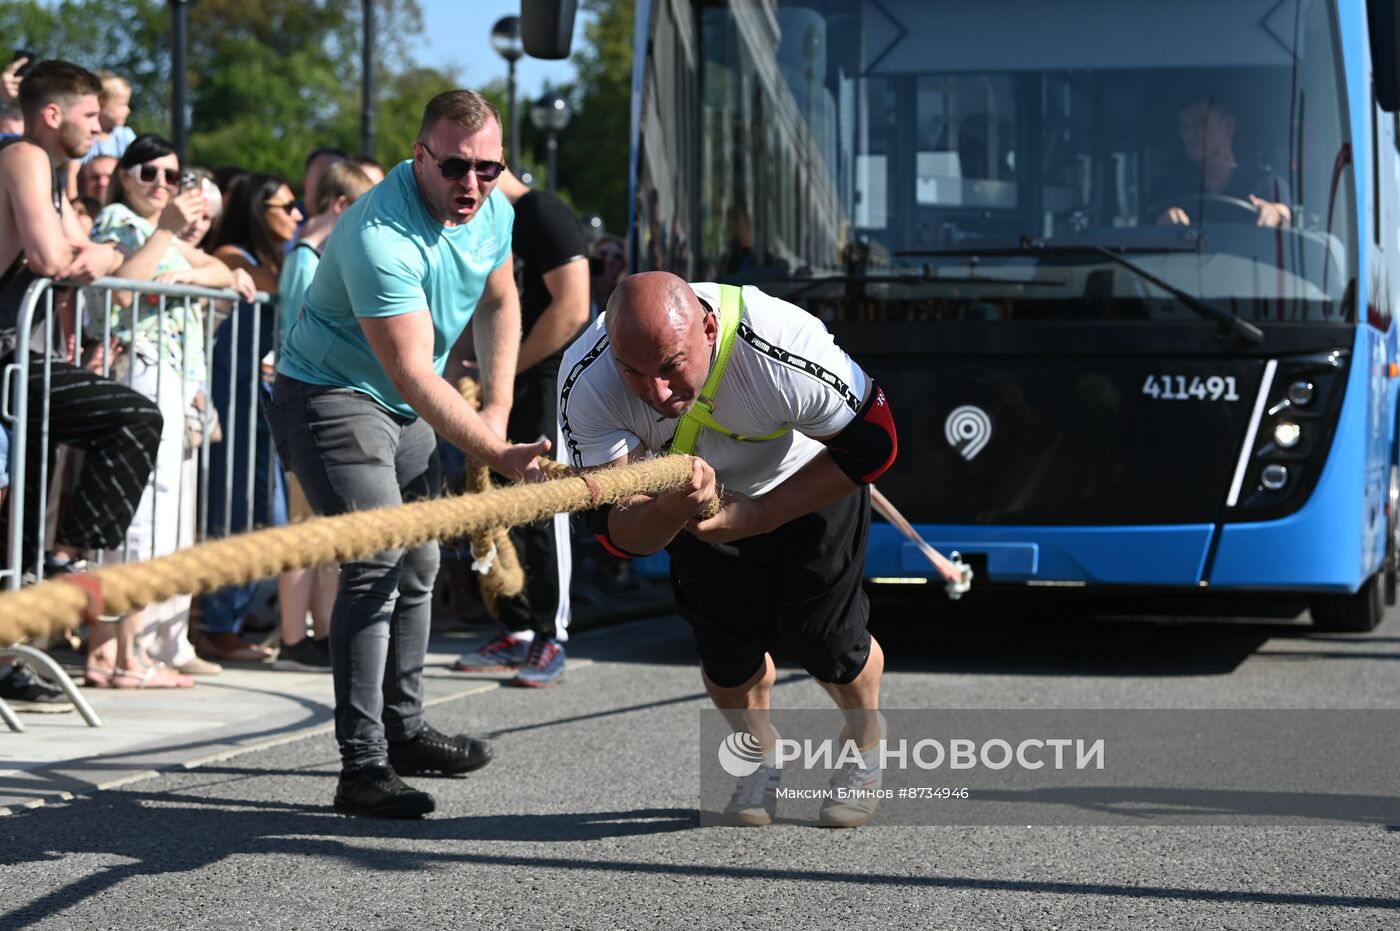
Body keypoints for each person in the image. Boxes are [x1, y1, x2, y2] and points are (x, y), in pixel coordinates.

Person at [557, 271, 924, 828]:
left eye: (672, 365)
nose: (656, 392)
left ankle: (867, 741)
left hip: (805, 484)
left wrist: (762, 514)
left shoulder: (780, 343)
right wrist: (672, 510)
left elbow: (875, 444)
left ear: (708, 328)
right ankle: (760, 757)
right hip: (689, 503)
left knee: (829, 644)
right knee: (727, 654)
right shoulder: (586, 378)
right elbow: (615, 532)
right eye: (633, 371)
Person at [270, 89, 548, 819]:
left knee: (421, 562)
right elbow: (415, 373)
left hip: (402, 404)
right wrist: (497, 449)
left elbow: (498, 302)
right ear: (420, 155)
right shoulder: (377, 234)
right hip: (332, 393)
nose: (472, 185)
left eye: (489, 168)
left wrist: (498, 406)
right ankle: (361, 768)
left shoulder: (494, 210)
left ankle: (407, 728)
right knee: (376, 563)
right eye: (455, 166)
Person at [0, 59, 163, 696]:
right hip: (9, 361)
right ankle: (65, 561)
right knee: (135, 416)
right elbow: (54, 257)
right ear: (52, 114)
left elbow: (88, 253)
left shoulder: (54, 175)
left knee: (24, 511)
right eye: (91, 116)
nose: (102, 128)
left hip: (23, 360)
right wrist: (93, 253)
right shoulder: (23, 158)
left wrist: (102, 252)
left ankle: (16, 639)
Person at [88, 133, 258, 686]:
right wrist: (166, 239)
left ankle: (154, 645)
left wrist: (191, 273)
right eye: (150, 173)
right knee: (140, 514)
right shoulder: (119, 219)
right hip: (138, 367)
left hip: (175, 376)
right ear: (124, 177)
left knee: (168, 519)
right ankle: (125, 655)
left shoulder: (154, 232)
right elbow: (120, 291)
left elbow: (219, 269)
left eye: (171, 175)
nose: (162, 184)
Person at [451, 168, 589, 687]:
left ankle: (553, 634)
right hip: (509, 379)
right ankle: (518, 628)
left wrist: (504, 371)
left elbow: (572, 309)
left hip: (547, 378)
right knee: (497, 501)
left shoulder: (544, 214)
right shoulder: (491, 222)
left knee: (543, 500)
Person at [195, 172, 302, 664]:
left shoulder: (279, 261)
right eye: (288, 206)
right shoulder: (235, 256)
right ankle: (217, 624)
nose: (297, 215)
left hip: (262, 400)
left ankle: (227, 620)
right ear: (260, 212)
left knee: (268, 516)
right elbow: (279, 287)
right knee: (236, 511)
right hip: (234, 397)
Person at [272, 160, 373, 673]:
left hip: (312, 399)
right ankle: (295, 637)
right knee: (301, 525)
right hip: (304, 400)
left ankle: (317, 631)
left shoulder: (308, 254)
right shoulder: (307, 259)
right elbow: (298, 333)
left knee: (319, 526)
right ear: (340, 206)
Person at [1150, 96, 1291, 228]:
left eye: (1199, 124)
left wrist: (1275, 214)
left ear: (1228, 127)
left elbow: (1285, 217)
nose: (1188, 134)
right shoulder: (1171, 186)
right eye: (1184, 126)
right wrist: (1163, 221)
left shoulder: (1266, 183)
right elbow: (1144, 229)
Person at [67, 71, 134, 202]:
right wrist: (73, 203)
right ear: (101, 104)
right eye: (122, 104)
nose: (128, 110)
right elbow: (71, 174)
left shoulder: (124, 136)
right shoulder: (83, 136)